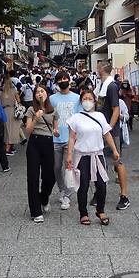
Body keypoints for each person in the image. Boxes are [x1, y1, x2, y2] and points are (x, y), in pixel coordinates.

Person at [66, 89, 119, 226]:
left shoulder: (100, 116)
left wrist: (114, 150)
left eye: (90, 99)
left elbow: (107, 134)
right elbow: (72, 138)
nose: (87, 101)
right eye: (84, 99)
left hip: (98, 155)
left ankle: (100, 210)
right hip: (81, 156)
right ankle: (83, 213)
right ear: (81, 101)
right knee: (82, 185)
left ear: (95, 101)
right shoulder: (75, 118)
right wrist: (70, 155)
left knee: (101, 184)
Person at [96, 61, 130, 210]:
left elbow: (116, 109)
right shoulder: (103, 85)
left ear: (102, 69)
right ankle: (99, 193)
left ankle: (124, 196)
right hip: (102, 130)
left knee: (117, 162)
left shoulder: (111, 86)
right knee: (100, 162)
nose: (97, 71)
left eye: (98, 68)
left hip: (111, 131)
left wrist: (108, 127)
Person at [24, 85, 58, 223]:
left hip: (48, 142)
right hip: (34, 142)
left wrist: (56, 131)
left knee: (50, 175)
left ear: (46, 94)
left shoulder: (53, 110)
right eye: (37, 92)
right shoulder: (31, 109)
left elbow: (55, 128)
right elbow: (28, 130)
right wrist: (36, 118)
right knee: (33, 177)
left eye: (42, 91)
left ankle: (43, 197)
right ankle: (35, 211)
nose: (39, 94)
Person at [50, 71, 81, 210]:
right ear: (56, 82)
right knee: (56, 168)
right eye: (60, 79)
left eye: (65, 78)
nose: (63, 80)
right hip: (56, 139)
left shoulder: (77, 98)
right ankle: (62, 189)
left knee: (69, 167)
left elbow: (80, 117)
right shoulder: (51, 99)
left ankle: (67, 195)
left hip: (71, 139)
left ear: (69, 80)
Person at [0, 77, 21, 155]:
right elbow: (19, 100)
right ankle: (8, 148)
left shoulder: (2, 93)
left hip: (4, 111)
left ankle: (9, 147)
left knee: (7, 129)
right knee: (13, 129)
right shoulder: (14, 91)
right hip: (12, 111)